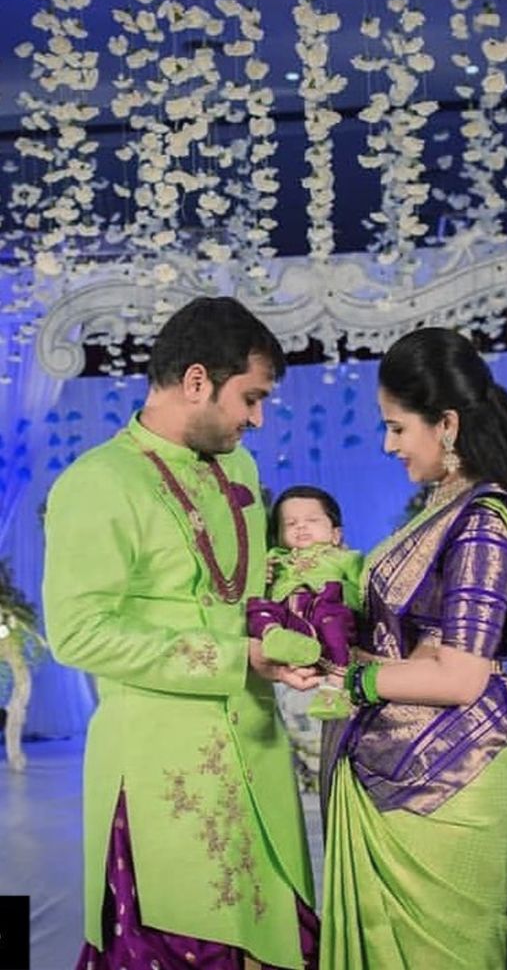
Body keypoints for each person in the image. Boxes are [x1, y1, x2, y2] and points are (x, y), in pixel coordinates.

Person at [42, 296, 321, 970]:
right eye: (249, 398)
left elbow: (249, 593)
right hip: (161, 770)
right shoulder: (97, 482)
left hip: (255, 749)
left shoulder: (241, 469)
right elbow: (77, 633)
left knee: (282, 942)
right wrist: (234, 656)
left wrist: (297, 625)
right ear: (196, 380)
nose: (256, 418)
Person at [319, 327, 507, 970]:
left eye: (396, 428)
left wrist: (355, 681)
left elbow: (463, 676)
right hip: (404, 769)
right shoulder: (447, 503)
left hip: (449, 778)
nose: (388, 445)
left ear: (445, 423)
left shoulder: (483, 523)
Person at [247, 485, 363, 720]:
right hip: (286, 611)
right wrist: (262, 574)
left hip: (323, 608)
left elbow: (363, 592)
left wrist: (338, 592)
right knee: (256, 607)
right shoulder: (276, 558)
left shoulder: (346, 558)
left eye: (312, 520)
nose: (301, 526)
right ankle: (276, 637)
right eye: (290, 523)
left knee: (332, 620)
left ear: (335, 534)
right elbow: (257, 583)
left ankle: (334, 687)